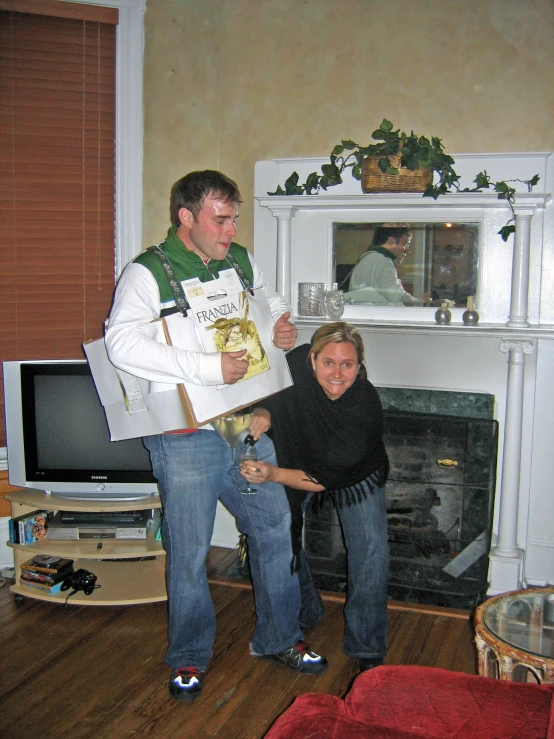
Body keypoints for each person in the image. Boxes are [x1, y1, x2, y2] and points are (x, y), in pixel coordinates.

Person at [105, 170, 327, 703]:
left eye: (234, 218)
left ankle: (279, 637)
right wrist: (205, 367)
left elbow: (267, 298)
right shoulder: (147, 273)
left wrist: (279, 324)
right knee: (189, 551)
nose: (230, 230)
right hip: (183, 434)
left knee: (274, 529)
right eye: (219, 219)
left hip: (240, 422)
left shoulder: (239, 259)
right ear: (186, 217)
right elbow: (120, 344)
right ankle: (187, 656)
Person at [243, 322, 390, 672]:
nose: (337, 373)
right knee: (283, 529)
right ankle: (307, 608)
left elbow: (324, 479)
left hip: (355, 472)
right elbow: (269, 394)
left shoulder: (364, 403)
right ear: (312, 359)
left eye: (348, 364)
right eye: (329, 362)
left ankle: (367, 646)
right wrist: (263, 413)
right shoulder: (293, 365)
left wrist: (274, 474)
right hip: (303, 457)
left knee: (371, 550)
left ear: (359, 366)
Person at [345, 225, 429, 305]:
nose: (407, 250)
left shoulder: (368, 257)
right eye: (405, 244)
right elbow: (397, 296)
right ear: (391, 241)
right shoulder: (383, 261)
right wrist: (419, 301)